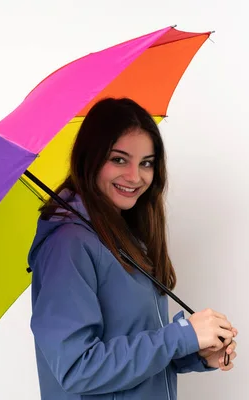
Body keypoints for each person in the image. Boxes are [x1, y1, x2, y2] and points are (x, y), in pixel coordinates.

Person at [27, 97, 238, 399]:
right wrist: (181, 335)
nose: (135, 176)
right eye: (119, 159)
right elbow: (77, 369)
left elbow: (137, 351)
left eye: (146, 163)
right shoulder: (67, 246)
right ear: (90, 159)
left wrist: (197, 351)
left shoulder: (126, 238)